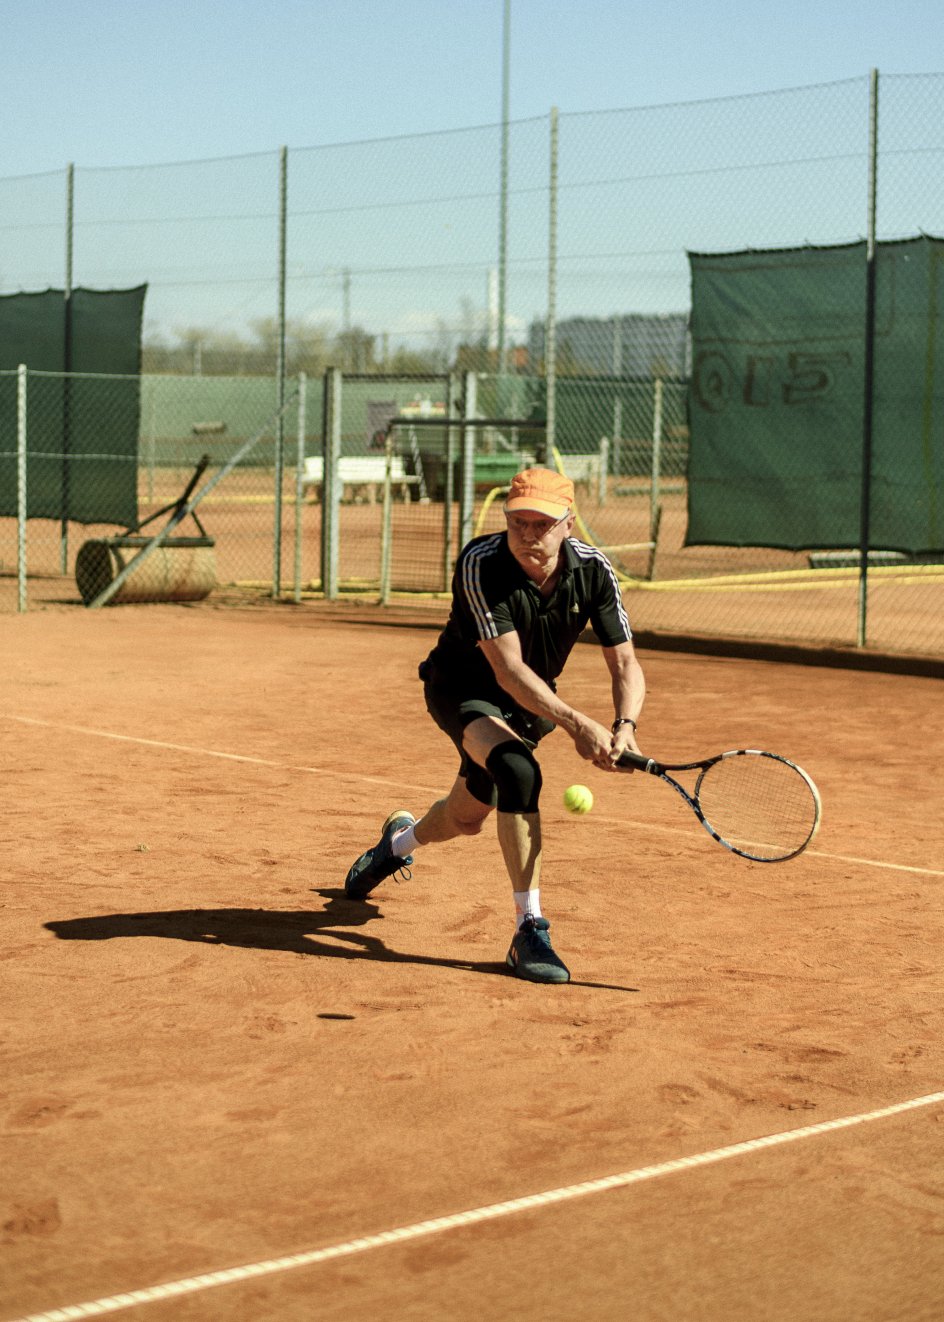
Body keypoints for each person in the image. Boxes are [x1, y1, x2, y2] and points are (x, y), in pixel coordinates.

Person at [344, 465, 645, 984]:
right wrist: (577, 725)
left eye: (543, 524)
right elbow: (506, 670)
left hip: (528, 706)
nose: (528, 534)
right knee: (518, 771)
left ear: (568, 525)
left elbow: (625, 663)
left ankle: (394, 846)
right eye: (518, 521)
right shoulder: (481, 562)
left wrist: (625, 725)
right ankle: (529, 929)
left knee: (465, 817)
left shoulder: (595, 571)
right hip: (462, 688)